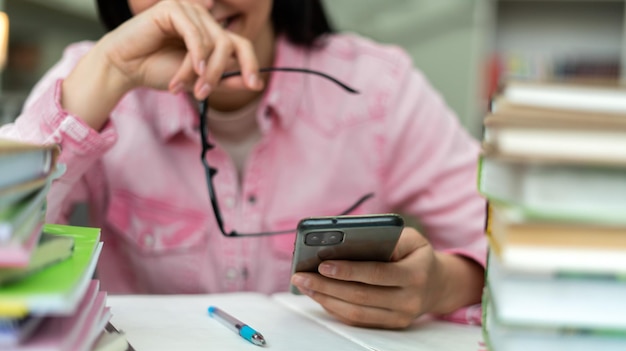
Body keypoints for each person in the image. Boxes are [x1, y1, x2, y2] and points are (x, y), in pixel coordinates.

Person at [0, 0, 487, 329]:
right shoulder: (89, 79)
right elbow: (7, 248)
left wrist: (443, 285)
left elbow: (512, 245)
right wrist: (111, 73)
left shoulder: (377, 87)